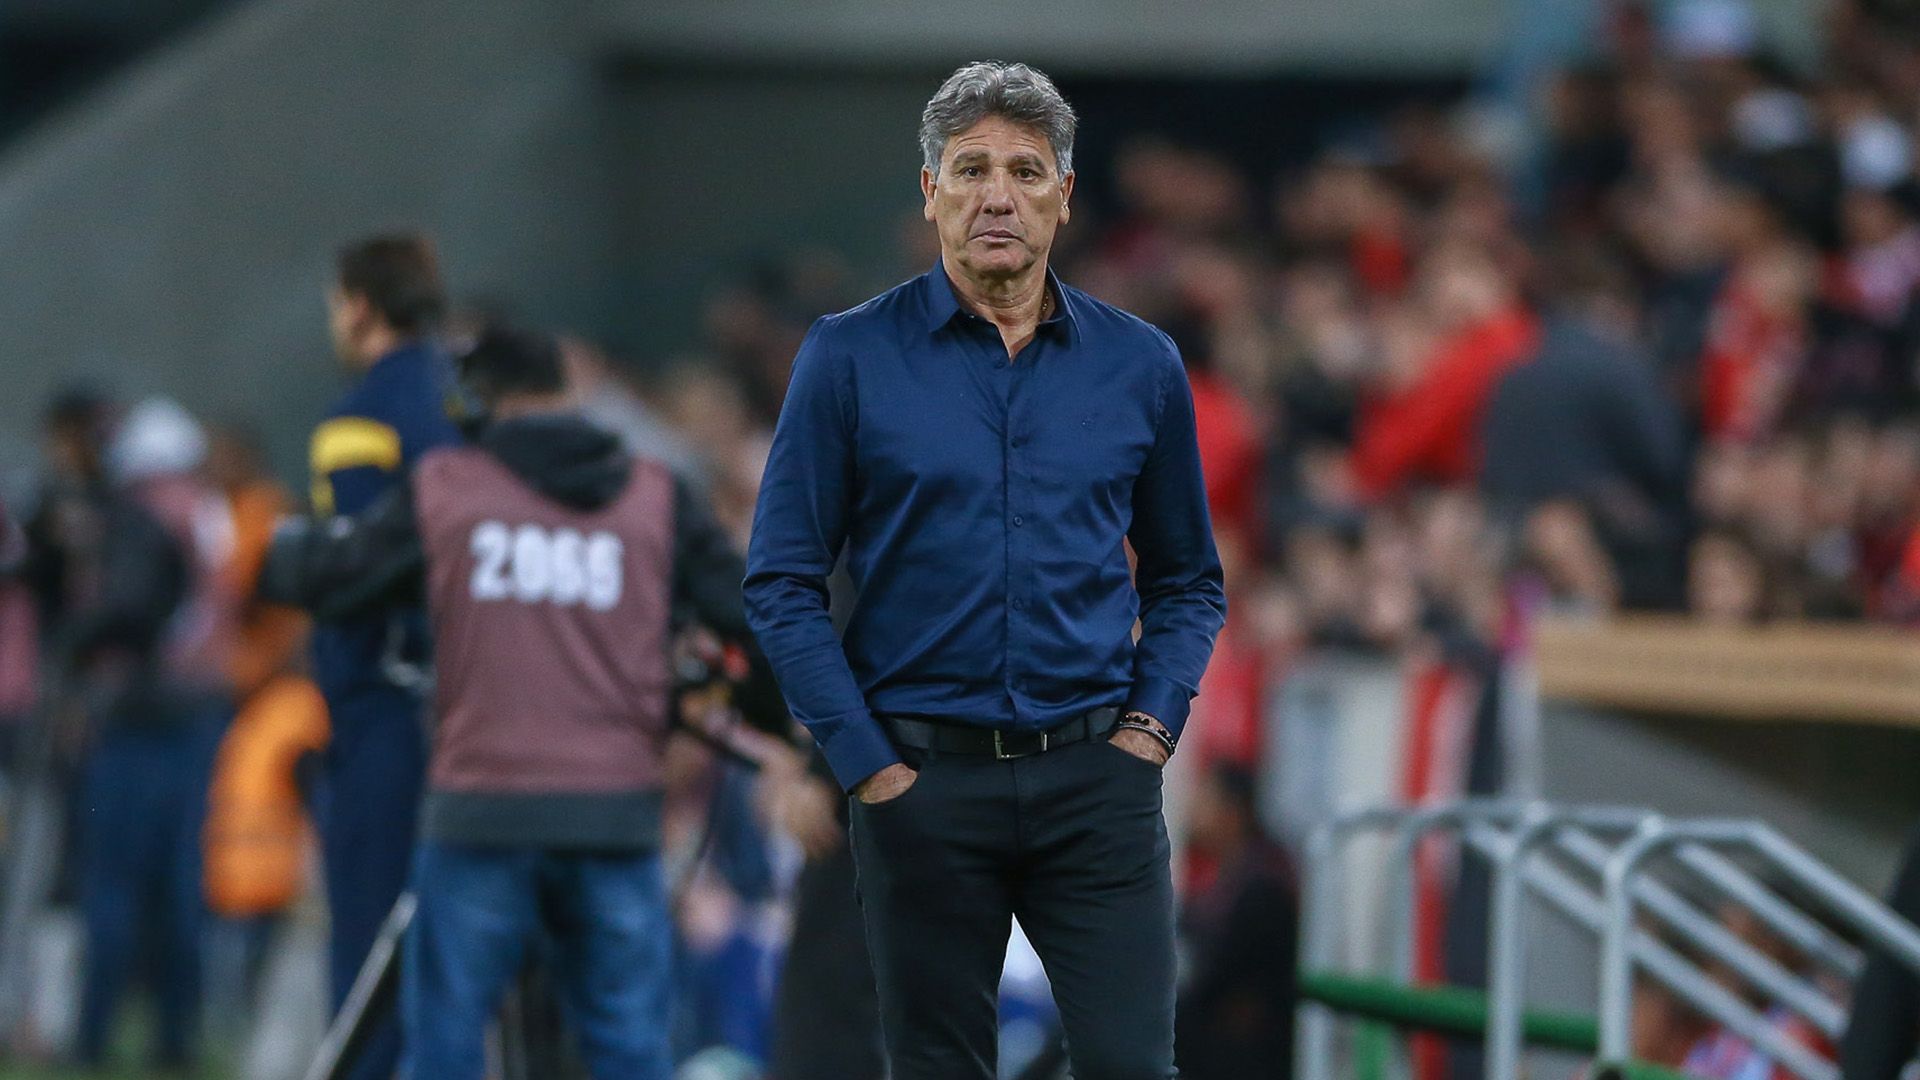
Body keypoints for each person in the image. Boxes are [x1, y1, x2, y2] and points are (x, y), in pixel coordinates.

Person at [744, 61, 1226, 1080]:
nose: (996, 194)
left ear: (1064, 195)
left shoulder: (1141, 366)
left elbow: (1188, 579)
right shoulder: (846, 357)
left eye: (1024, 169)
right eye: (969, 169)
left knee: (1135, 1067)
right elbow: (780, 581)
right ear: (930, 193)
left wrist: (1150, 727)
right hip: (920, 787)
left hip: (1096, 781)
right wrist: (864, 763)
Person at [263, 326, 767, 1079]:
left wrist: (287, 546)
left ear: (475, 401)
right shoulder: (656, 495)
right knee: (628, 1048)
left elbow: (333, 576)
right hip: (615, 815)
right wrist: (787, 738)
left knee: (447, 1046)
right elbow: (751, 619)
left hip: (482, 814)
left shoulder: (448, 492)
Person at [305, 231, 461, 1078]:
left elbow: (356, 570)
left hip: (388, 708)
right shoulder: (472, 401)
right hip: (490, 712)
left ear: (361, 305)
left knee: (371, 947)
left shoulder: (360, 419)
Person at [64, 398, 238, 1071]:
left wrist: (77, 645)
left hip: (135, 717)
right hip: (196, 715)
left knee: (110, 886)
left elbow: (125, 609)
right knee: (180, 885)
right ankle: (177, 1038)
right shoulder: (210, 516)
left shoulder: (134, 517)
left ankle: (92, 1036)